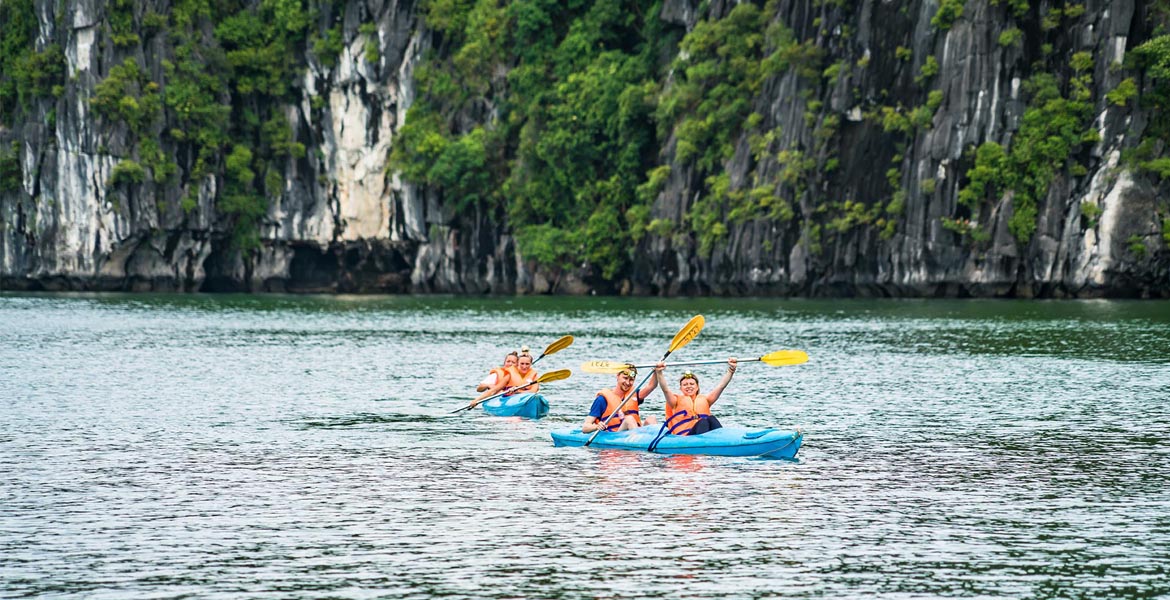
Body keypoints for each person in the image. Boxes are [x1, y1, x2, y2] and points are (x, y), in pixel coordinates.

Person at [653, 357, 737, 436]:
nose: (689, 386)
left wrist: (731, 370)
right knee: (703, 421)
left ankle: (722, 439)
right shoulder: (675, 401)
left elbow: (721, 386)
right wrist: (659, 372)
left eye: (692, 384)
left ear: (697, 387)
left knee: (711, 418)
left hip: (704, 432)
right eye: (685, 385)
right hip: (686, 436)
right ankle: (703, 447)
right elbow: (665, 390)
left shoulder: (706, 400)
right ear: (681, 388)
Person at [581, 367, 659, 433]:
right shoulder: (602, 399)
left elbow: (651, 386)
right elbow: (585, 427)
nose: (628, 383)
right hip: (615, 435)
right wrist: (596, 427)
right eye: (625, 378)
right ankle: (638, 445)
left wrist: (657, 371)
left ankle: (656, 442)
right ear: (617, 376)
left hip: (634, 432)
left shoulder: (634, 394)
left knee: (651, 418)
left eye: (631, 379)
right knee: (629, 419)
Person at [471, 348, 539, 406]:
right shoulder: (509, 375)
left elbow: (533, 391)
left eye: (527, 364)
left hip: (525, 398)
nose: (524, 366)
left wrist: (517, 391)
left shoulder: (534, 376)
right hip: (507, 400)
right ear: (518, 364)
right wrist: (476, 400)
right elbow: (493, 390)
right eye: (522, 364)